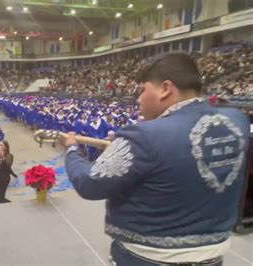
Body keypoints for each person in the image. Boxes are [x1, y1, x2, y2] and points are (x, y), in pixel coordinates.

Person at [61, 53, 250, 266]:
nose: (138, 98)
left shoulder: (144, 135)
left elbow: (89, 184)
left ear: (165, 89)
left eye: (142, 90)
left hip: (148, 259)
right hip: (213, 257)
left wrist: (72, 150)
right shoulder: (237, 120)